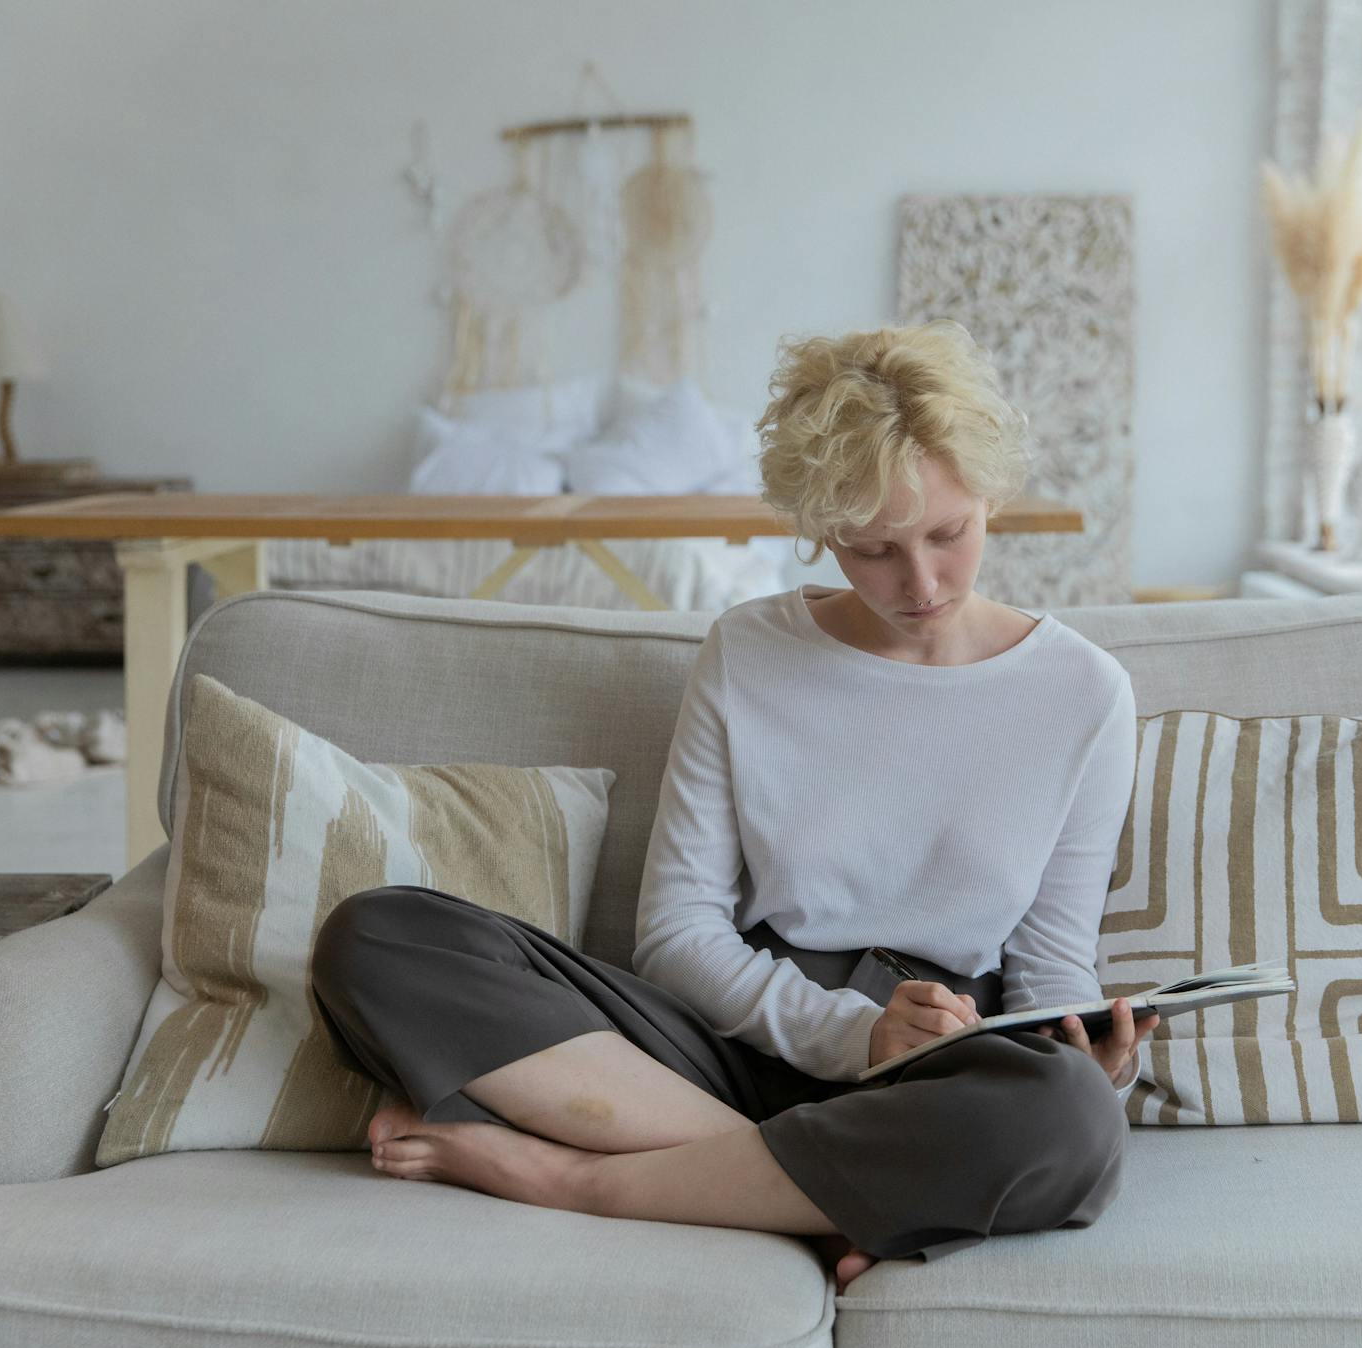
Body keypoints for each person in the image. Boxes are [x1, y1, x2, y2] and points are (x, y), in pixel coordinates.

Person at [309, 319, 1154, 1288]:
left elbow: (1048, 967)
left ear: (988, 497)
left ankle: (577, 1177)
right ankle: (804, 1191)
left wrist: (1091, 1058)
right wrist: (850, 1034)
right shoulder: (750, 652)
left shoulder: (1084, 693)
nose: (919, 582)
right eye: (873, 547)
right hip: (732, 1045)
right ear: (821, 526)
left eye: (947, 534)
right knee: (377, 936)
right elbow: (676, 933)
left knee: (1072, 1118)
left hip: (942, 1062)